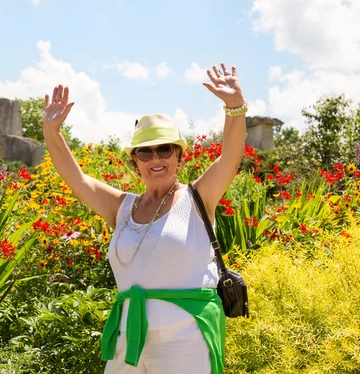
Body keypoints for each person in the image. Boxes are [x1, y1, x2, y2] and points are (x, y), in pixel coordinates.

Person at [42, 62, 246, 374]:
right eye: (146, 153)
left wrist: (234, 107)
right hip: (130, 338)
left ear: (179, 156)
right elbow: (77, 179)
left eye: (165, 150)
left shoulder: (198, 198)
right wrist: (52, 132)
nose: (156, 159)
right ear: (135, 162)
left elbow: (230, 157)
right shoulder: (121, 207)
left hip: (185, 340)